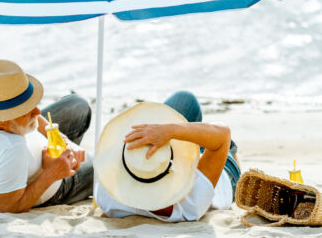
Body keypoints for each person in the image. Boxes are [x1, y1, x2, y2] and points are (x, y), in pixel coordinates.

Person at [0, 59, 94, 213]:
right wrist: (51, 173)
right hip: (49, 189)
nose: (37, 112)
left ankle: (67, 158)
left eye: (31, 103)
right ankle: (69, 170)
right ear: (1, 120)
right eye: (26, 110)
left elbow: (34, 115)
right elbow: (3, 207)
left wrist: (63, 140)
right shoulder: (10, 149)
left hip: (22, 154)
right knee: (103, 163)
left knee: (77, 105)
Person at [94, 91, 241, 222]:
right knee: (223, 141)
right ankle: (229, 149)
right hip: (219, 172)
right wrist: (170, 130)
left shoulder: (107, 197)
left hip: (172, 152)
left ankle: (186, 131)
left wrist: (161, 131)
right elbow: (223, 135)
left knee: (184, 101)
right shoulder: (192, 202)